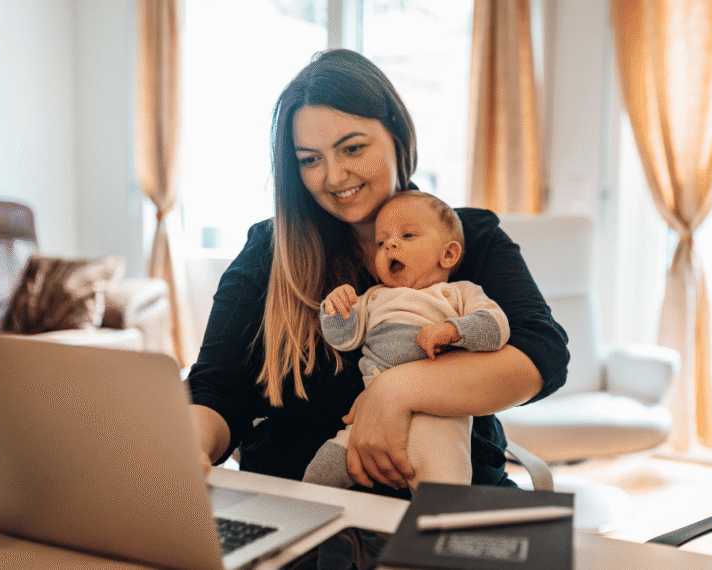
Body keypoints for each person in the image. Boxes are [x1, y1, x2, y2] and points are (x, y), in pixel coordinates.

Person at [186, 48, 569, 499]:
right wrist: (185, 451)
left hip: (447, 506)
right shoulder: (270, 251)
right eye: (310, 159)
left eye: (353, 148)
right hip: (299, 509)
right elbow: (215, 392)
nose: (333, 176)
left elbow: (541, 355)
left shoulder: (466, 238)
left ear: (397, 135)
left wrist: (396, 390)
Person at [303, 190, 510, 491]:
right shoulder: (374, 296)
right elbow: (343, 339)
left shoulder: (460, 293)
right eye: (381, 242)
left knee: (444, 498)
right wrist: (336, 308)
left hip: (438, 417)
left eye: (408, 235)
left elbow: (496, 327)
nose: (391, 245)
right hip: (371, 416)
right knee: (320, 475)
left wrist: (454, 330)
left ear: (448, 254)